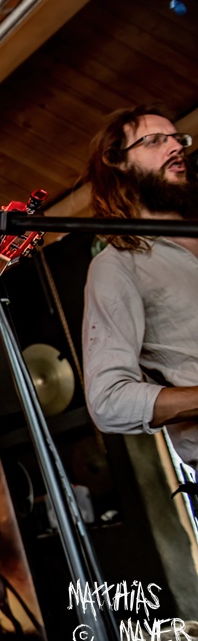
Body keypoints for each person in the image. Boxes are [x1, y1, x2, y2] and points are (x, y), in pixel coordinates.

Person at [81, 105, 198, 466]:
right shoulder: (117, 265)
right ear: (116, 161)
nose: (175, 147)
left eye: (177, 139)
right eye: (155, 141)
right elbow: (108, 402)